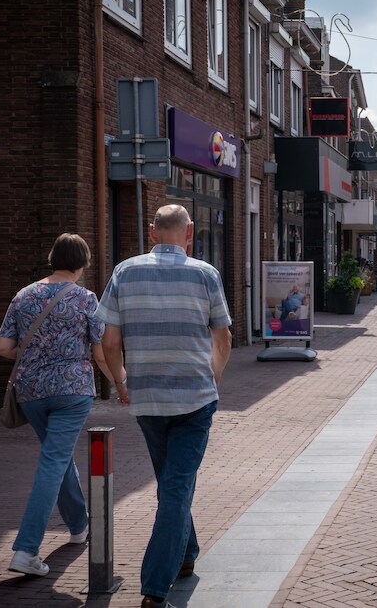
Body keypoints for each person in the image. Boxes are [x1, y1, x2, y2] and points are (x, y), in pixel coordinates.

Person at [97, 204, 232, 608]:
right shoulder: (205, 274)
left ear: (153, 232)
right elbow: (223, 338)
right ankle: (155, 589)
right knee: (175, 488)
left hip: (148, 399)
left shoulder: (125, 271)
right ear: (188, 233)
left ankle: (186, 554)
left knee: (171, 483)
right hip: (194, 398)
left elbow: (108, 340)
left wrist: (120, 381)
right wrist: (215, 376)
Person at [0, 233, 118, 577]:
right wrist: (119, 383)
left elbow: (2, 348)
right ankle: (26, 549)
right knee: (53, 462)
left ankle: (79, 526)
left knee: (57, 457)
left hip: (31, 392)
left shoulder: (24, 295)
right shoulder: (86, 299)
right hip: (72, 392)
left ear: (53, 258)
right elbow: (99, 351)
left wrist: (34, 354)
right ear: (82, 264)